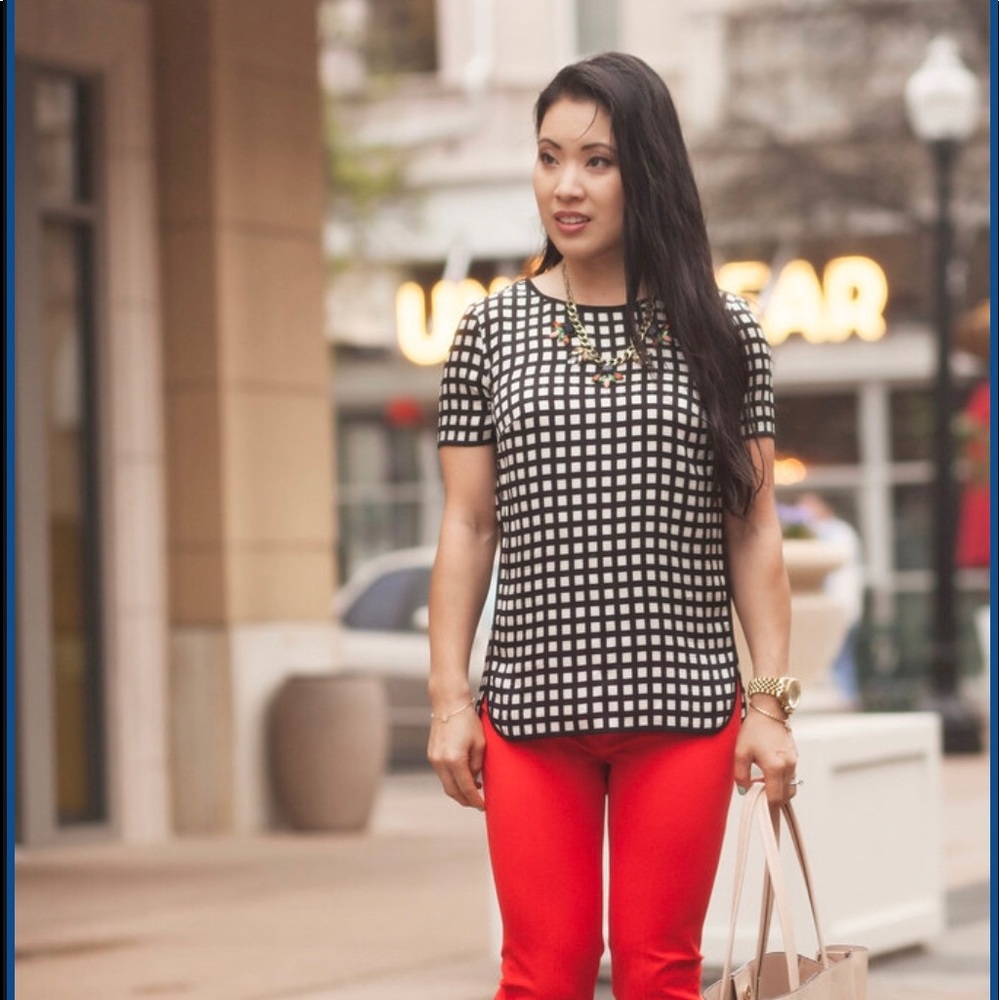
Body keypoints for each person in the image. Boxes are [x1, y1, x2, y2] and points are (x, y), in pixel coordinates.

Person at [427, 52, 799, 1000]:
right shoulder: (489, 330)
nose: (566, 185)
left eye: (596, 160)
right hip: (529, 709)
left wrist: (768, 706)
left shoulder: (723, 330)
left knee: (659, 974)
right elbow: (468, 529)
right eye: (549, 157)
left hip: (681, 708)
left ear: (648, 169)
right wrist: (446, 701)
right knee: (540, 976)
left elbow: (754, 533)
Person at [795, 493, 865, 706]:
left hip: (839, 605)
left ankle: (847, 696)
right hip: (830, 607)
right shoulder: (815, 533)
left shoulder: (838, 532)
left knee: (839, 652)